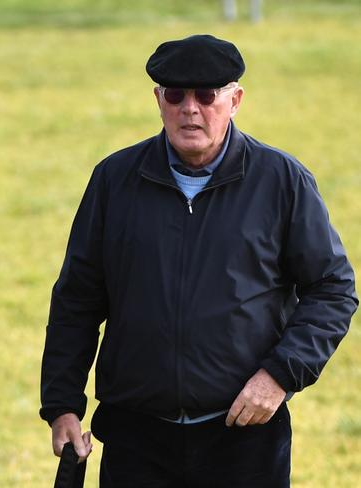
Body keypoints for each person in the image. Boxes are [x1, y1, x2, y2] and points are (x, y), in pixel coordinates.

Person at [40, 34, 357, 487]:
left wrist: (279, 375)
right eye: (176, 95)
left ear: (235, 100)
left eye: (207, 95)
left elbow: (332, 287)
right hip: (136, 438)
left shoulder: (282, 180)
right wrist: (62, 404)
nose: (191, 108)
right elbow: (77, 299)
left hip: (244, 437)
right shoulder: (114, 180)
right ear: (158, 100)